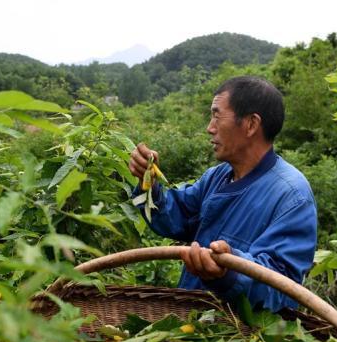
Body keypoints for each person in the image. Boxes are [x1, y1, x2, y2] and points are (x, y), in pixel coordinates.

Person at [129, 76, 317, 312]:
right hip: (190, 324)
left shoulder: (291, 196)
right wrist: (148, 184)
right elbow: (173, 217)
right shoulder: (217, 177)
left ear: (251, 124)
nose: (210, 127)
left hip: (239, 338)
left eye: (217, 116)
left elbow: (283, 289)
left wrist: (228, 271)